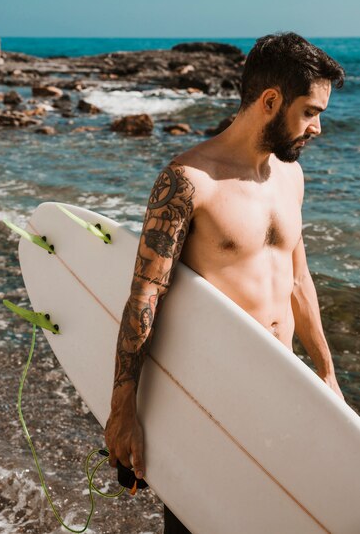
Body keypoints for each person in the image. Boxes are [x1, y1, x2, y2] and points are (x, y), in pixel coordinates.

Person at [105, 31, 346, 533]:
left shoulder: (290, 176)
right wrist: (122, 410)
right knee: (198, 521)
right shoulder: (190, 181)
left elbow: (298, 279)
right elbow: (145, 297)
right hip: (213, 390)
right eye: (309, 111)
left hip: (280, 382)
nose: (319, 127)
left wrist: (325, 374)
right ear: (271, 101)